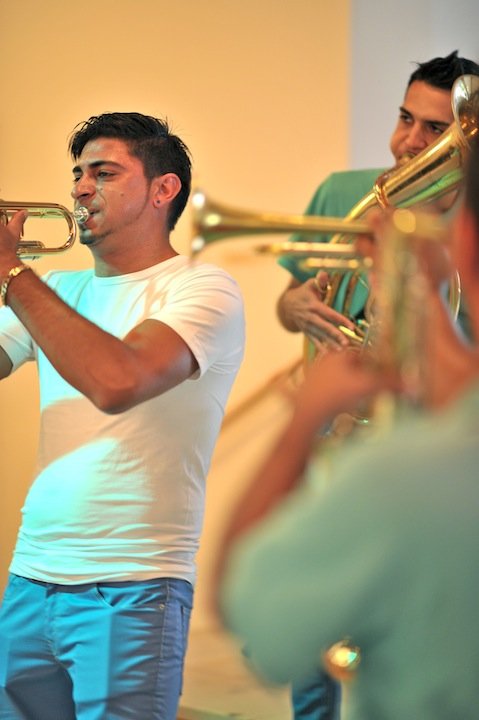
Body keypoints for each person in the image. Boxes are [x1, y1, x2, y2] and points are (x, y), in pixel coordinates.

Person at [217, 133, 479, 720]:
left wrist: (299, 425)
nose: (412, 140)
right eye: (405, 118)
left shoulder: (399, 475)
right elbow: (290, 301)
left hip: (387, 459)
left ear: (463, 242)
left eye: (436, 128)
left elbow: (247, 608)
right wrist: (299, 305)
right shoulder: (346, 193)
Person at [0, 112, 245, 720]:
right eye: (78, 174)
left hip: (135, 584)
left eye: (104, 173)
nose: (80, 188)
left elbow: (117, 381)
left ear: (164, 190)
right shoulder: (57, 288)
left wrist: (11, 272)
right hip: (31, 576)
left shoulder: (203, 288)